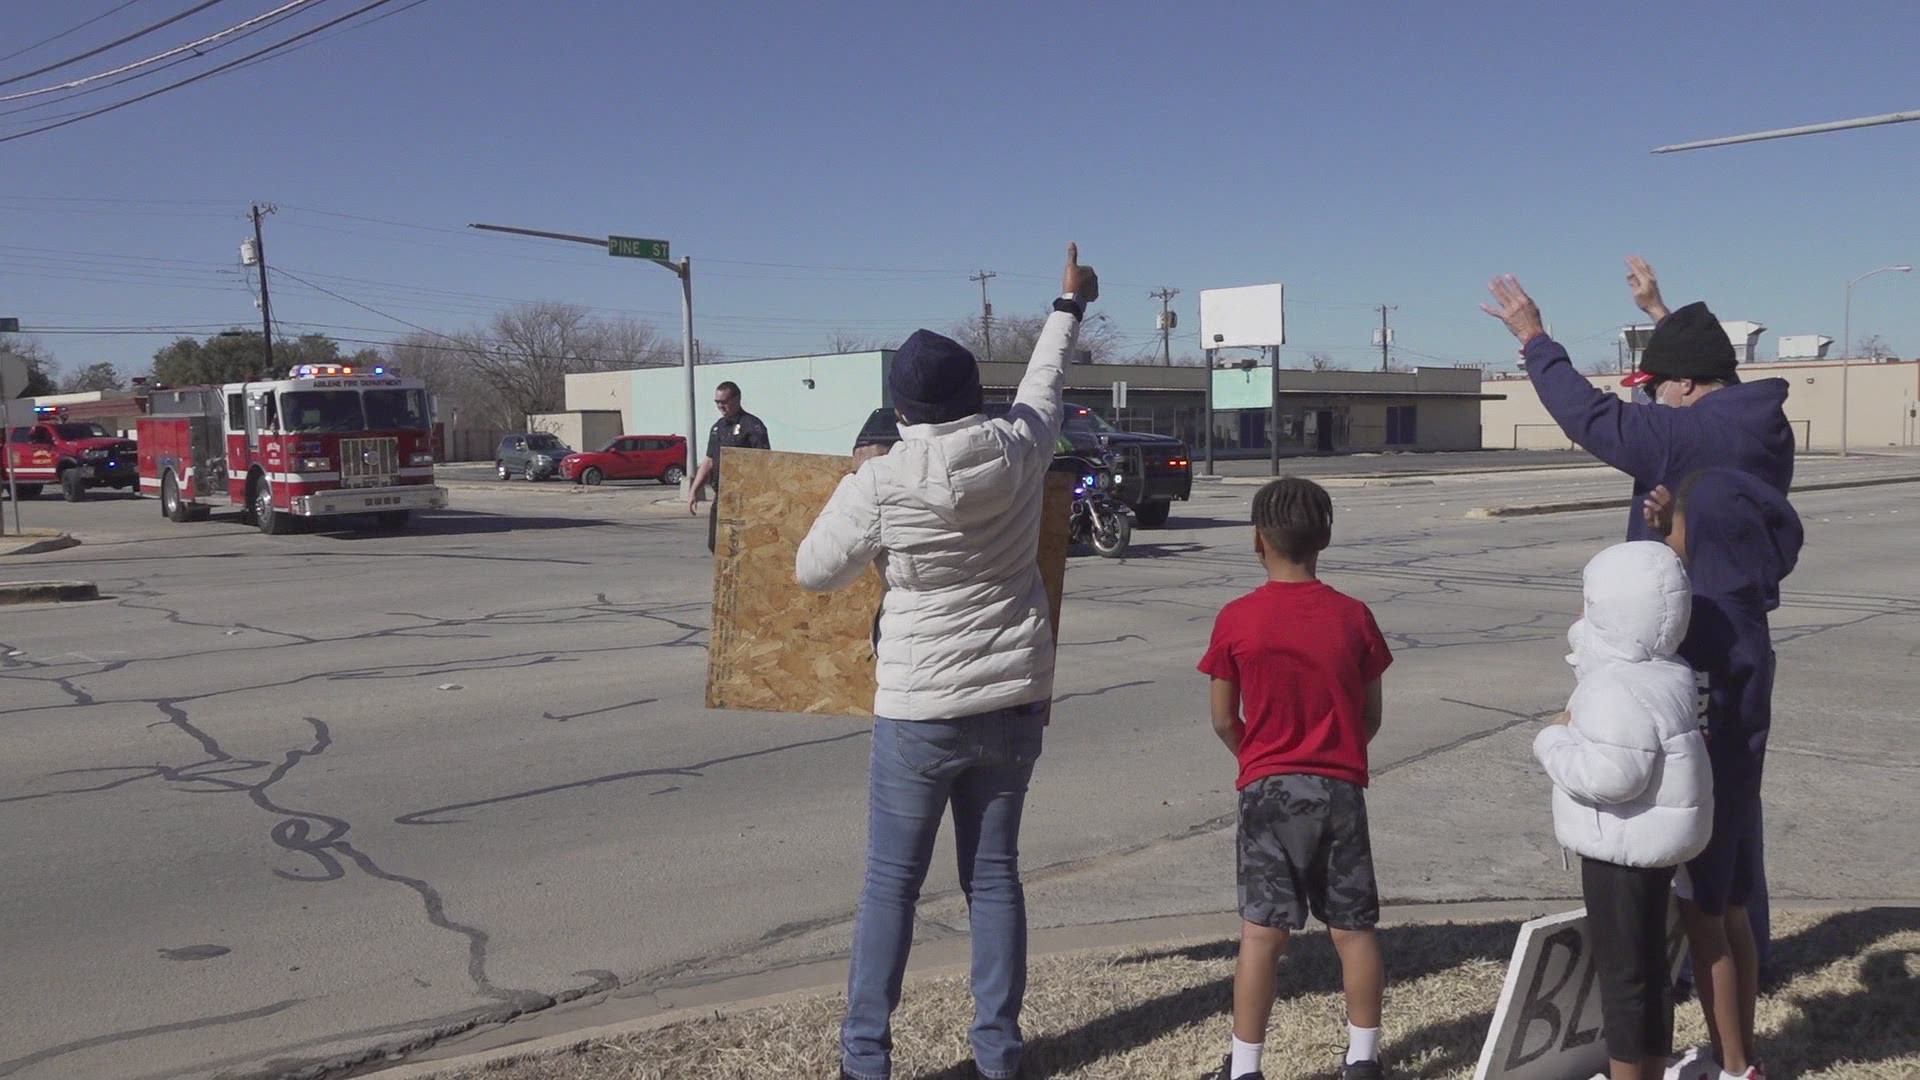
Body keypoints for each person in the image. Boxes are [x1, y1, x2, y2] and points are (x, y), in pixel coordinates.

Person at [795, 244, 1099, 1080]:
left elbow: (813, 570)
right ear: (973, 395)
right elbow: (1046, 380)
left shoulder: (882, 482)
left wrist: (857, 482)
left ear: (899, 408)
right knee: (994, 878)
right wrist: (1067, 306)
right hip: (1012, 700)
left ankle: (866, 1061)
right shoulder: (1019, 447)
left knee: (890, 887)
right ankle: (999, 1054)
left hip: (917, 711)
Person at [1198, 476, 1393, 1080]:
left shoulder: (1237, 619)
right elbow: (1371, 715)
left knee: (1261, 934)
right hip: (1338, 787)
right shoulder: (1353, 617)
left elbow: (1223, 717)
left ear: (1258, 541)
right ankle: (1362, 1058)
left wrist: (1254, 756)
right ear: (1325, 539)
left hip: (1266, 789)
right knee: (1353, 930)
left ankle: (1247, 1066)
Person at [1534, 541, 1713, 1080]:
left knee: (1623, 977)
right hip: (1656, 848)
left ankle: (1628, 1073)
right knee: (1651, 966)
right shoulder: (1669, 672)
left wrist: (1552, 742)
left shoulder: (1613, 688)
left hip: (1619, 850)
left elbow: (1613, 777)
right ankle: (1651, 1069)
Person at [1647, 468, 1802, 1080]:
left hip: (1703, 796)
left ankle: (1733, 1065)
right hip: (1740, 789)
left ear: (1703, 530)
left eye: (1678, 523)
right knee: (1735, 916)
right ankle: (1740, 1055)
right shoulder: (1744, 608)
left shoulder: (1698, 621)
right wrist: (1668, 535)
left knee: (1704, 924)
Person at [687, 380, 771, 553]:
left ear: (737, 399)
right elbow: (709, 460)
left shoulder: (752, 426)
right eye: (717, 402)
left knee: (740, 546)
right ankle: (724, 578)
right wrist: (693, 490)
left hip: (744, 497)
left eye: (724, 401)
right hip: (722, 495)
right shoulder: (718, 428)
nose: (720, 406)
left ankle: (740, 579)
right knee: (716, 543)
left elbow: (764, 461)